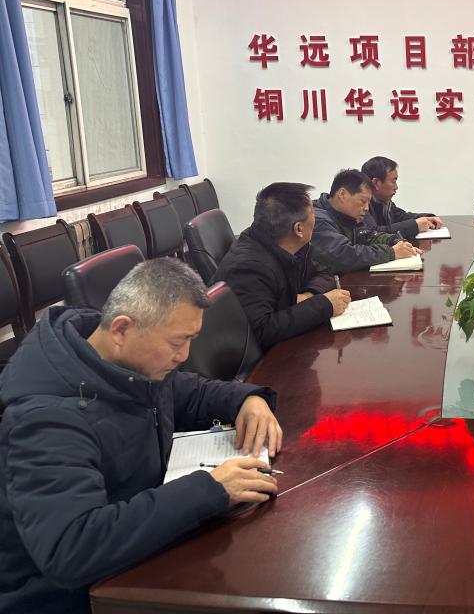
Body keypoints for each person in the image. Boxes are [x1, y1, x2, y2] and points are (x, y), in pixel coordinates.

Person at [0, 259, 284, 614]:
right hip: (74, 598)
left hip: (138, 553)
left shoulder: (127, 363)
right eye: (178, 342)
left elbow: (189, 392)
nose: (184, 356)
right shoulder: (46, 421)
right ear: (121, 329)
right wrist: (210, 490)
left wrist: (247, 400)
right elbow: (71, 549)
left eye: (191, 340)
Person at [214, 182, 351, 350]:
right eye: (313, 213)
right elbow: (263, 330)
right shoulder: (248, 268)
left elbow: (325, 272)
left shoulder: (291, 245)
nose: (316, 217)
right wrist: (324, 305)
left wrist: (308, 295)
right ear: (299, 229)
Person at [313, 169, 421, 273]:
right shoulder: (317, 219)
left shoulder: (348, 216)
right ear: (342, 194)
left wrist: (395, 241)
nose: (366, 208)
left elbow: (368, 235)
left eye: (368, 203)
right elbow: (342, 255)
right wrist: (391, 252)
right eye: (363, 201)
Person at [360, 155, 443, 238]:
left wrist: (427, 217)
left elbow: (401, 217)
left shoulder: (383, 202)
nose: (396, 187)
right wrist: (415, 225)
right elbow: (373, 233)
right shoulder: (361, 205)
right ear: (376, 183)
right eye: (393, 182)